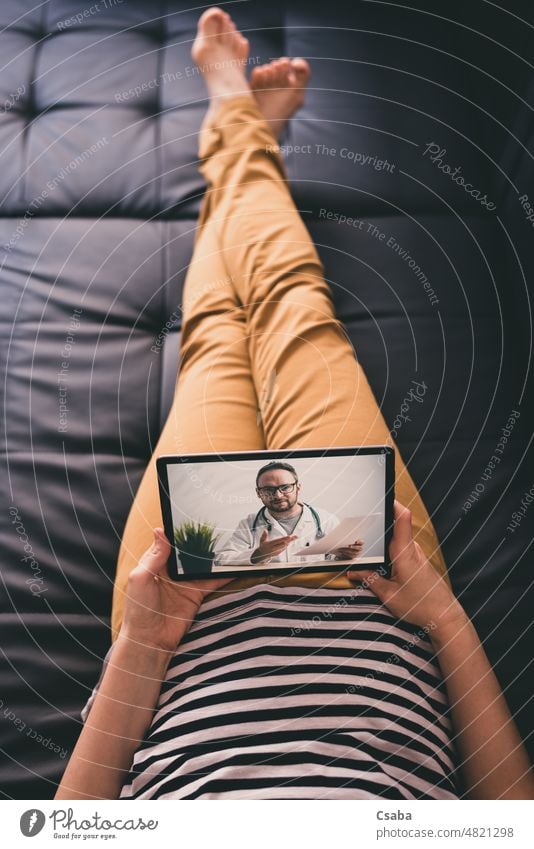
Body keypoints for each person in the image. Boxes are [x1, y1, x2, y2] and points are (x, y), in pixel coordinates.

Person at [55, 8, 534, 800]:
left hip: (183, 624)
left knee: (215, 334)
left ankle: (237, 124)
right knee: (291, 308)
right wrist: (442, 615)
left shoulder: (162, 631)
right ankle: (242, 131)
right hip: (379, 595)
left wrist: (145, 641)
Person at [213, 460, 364, 566]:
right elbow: (221, 558)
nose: (278, 495)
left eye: (285, 487)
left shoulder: (326, 520)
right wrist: (258, 554)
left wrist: (346, 556)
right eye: (268, 490)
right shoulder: (248, 524)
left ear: (298, 487)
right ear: (258, 493)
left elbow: (336, 561)